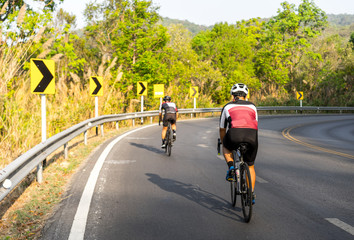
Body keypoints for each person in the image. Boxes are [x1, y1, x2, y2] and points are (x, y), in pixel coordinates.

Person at [219, 83, 258, 204]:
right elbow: (256, 124)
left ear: (233, 96)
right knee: (250, 166)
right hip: (251, 136)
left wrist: (223, 141)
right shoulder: (253, 106)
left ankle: (231, 167)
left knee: (226, 146)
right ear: (245, 96)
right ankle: (250, 194)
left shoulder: (227, 107)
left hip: (234, 135)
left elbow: (222, 128)